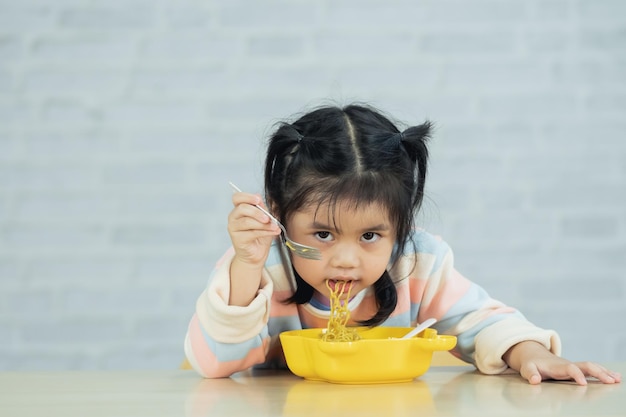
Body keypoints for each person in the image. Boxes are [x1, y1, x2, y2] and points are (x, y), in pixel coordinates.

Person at [184, 103, 621, 385]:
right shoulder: (262, 263)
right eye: (323, 234)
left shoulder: (418, 263)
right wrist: (245, 265)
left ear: (402, 224)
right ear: (277, 216)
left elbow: (483, 322)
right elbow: (214, 361)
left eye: (371, 236)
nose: (347, 260)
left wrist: (531, 353)